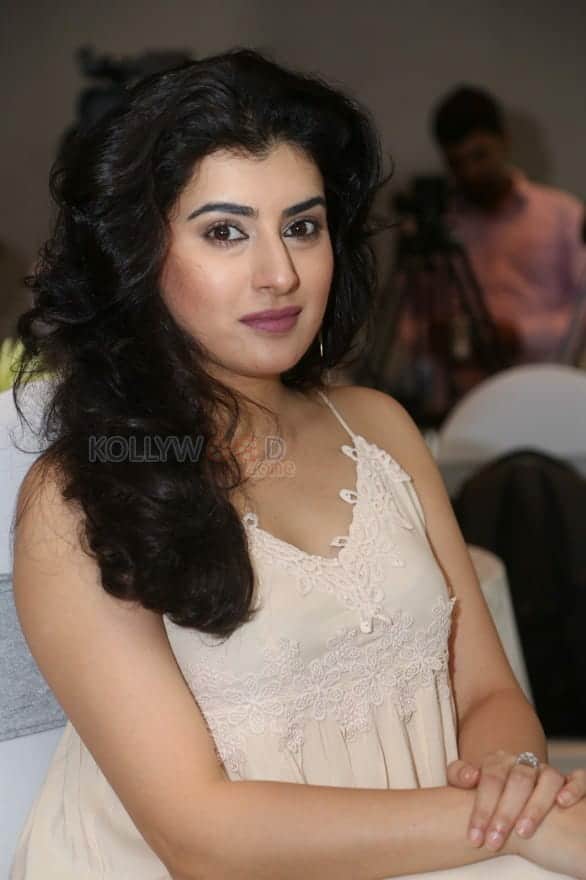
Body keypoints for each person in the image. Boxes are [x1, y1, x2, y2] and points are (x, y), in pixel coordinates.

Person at [8, 48, 586, 880]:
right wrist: (507, 829)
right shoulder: (83, 492)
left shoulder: (379, 428)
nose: (279, 274)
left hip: (432, 847)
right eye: (225, 232)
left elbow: (490, 694)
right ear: (139, 252)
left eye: (302, 227)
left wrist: (512, 783)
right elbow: (200, 839)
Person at [431, 84, 586, 365]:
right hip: (463, 383)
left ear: (504, 140)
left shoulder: (563, 214)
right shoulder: (440, 225)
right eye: (457, 163)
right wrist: (434, 336)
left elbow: (582, 310)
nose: (470, 173)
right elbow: (411, 318)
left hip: (543, 377)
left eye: (480, 156)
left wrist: (521, 335)